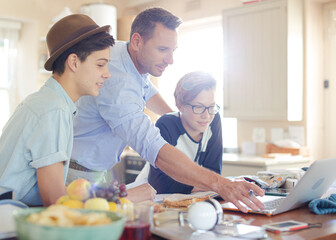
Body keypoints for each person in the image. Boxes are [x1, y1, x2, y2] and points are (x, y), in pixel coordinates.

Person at [70, 7, 265, 212]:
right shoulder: (119, 85)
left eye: (173, 50)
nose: (170, 59)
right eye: (163, 50)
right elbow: (155, 150)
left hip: (95, 173)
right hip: (76, 177)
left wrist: (178, 118)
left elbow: (147, 90)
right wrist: (221, 184)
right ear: (137, 41)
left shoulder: (124, 53)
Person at [0, 14, 115, 206]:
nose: (107, 74)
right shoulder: (54, 110)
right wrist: (115, 201)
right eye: (100, 64)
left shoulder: (47, 102)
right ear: (74, 62)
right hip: (2, 222)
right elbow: (54, 200)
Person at [147, 71, 223, 194]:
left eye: (211, 106)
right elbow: (160, 184)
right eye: (198, 107)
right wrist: (208, 183)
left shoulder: (214, 119)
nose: (207, 115)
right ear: (180, 106)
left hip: (192, 197)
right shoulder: (166, 125)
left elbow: (214, 173)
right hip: (155, 197)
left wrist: (211, 183)